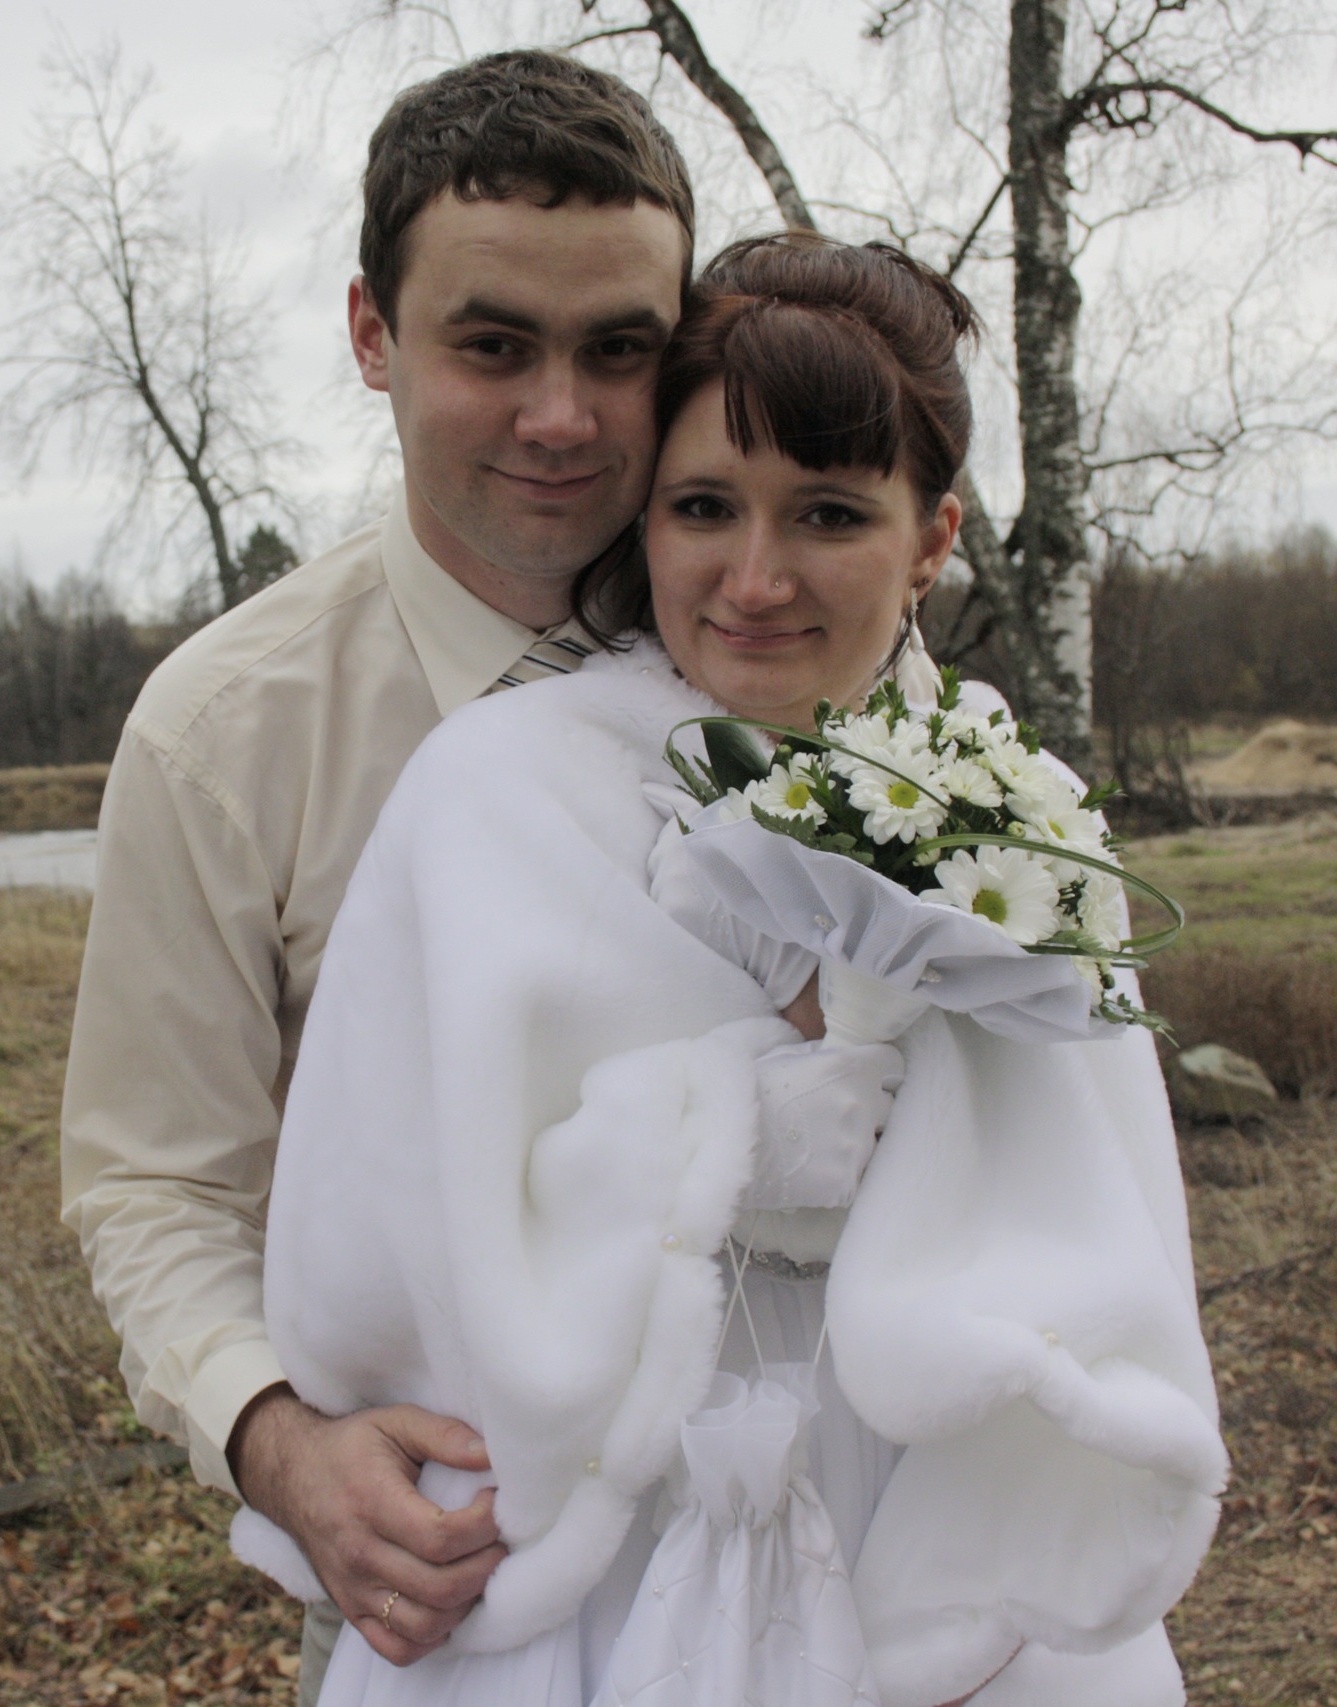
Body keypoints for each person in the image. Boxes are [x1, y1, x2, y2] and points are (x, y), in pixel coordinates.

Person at [234, 234, 1225, 1706]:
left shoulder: (1000, 827)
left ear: (933, 537)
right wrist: (723, 1135)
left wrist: (920, 1111)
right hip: (589, 1574)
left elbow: (1102, 1228)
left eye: (828, 513)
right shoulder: (491, 797)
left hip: (929, 1535)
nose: (754, 579)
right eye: (704, 507)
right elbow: (385, 1243)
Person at [61, 51, 890, 1701]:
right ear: (372, 334)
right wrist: (277, 1440)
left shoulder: (806, 635)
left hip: (834, 1545)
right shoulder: (226, 736)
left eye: (619, 350)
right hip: (455, 1580)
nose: (562, 416)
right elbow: (154, 1181)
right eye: (493, 345)